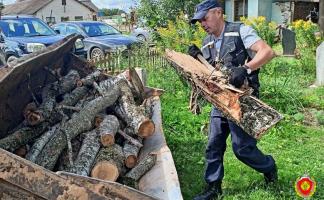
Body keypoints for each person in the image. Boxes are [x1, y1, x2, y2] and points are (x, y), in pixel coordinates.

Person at [188, 0, 277, 199]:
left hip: (242, 102)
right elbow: (211, 73)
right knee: (214, 144)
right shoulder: (207, 42)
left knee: (242, 149)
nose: (202, 23)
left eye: (205, 18)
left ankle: (269, 166)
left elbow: (268, 51)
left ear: (218, 12)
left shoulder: (240, 31)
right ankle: (213, 188)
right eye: (199, 21)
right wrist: (197, 58)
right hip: (220, 101)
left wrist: (246, 68)